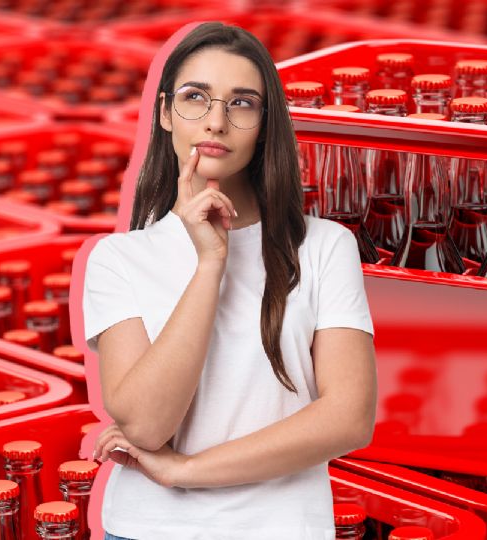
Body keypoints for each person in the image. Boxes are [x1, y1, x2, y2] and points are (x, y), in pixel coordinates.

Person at [80, 22, 377, 539]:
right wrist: (210, 264)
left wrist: (188, 471)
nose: (215, 121)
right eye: (196, 98)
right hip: (149, 529)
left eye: (242, 103)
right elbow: (149, 425)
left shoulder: (324, 246)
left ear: (264, 125)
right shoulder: (118, 259)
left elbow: (348, 418)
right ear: (166, 113)